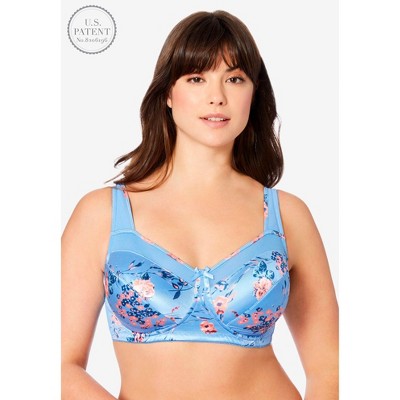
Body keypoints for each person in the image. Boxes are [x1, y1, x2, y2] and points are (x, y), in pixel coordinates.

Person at [61, 10, 338, 400]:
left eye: (235, 79)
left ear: (253, 93)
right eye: (196, 78)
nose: (217, 96)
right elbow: (59, 365)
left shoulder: (288, 216)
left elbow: (330, 366)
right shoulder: (102, 214)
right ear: (167, 93)